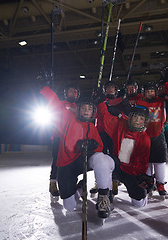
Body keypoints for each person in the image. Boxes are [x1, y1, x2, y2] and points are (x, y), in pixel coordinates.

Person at [40, 85, 115, 219]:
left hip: (82, 161)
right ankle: (80, 187)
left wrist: (92, 146)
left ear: (93, 112)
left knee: (102, 159)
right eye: (84, 108)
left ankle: (104, 196)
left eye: (90, 108)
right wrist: (45, 87)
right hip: (67, 164)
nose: (86, 111)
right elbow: (53, 103)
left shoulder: (92, 127)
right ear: (78, 109)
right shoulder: (66, 118)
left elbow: (99, 148)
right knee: (69, 206)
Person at [97, 101, 154, 207]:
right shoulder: (120, 125)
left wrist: (139, 178)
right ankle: (105, 194)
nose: (137, 121)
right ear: (130, 117)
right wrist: (102, 103)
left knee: (139, 203)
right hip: (117, 166)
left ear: (145, 122)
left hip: (132, 173)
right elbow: (106, 118)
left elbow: (142, 162)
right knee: (106, 161)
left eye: (141, 119)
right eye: (135, 117)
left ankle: (142, 196)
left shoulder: (144, 138)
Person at [136, 82, 168, 196]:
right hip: (144, 135)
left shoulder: (161, 101)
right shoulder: (140, 103)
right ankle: (149, 182)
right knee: (146, 161)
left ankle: (160, 183)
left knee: (160, 160)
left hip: (158, 134)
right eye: (147, 91)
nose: (150, 93)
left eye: (152, 91)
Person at [47, 83, 80, 199]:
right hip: (59, 137)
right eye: (71, 91)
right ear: (66, 93)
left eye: (75, 92)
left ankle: (71, 182)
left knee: (72, 161)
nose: (73, 94)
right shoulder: (60, 104)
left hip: (72, 139)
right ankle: (53, 183)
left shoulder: (79, 108)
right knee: (57, 160)